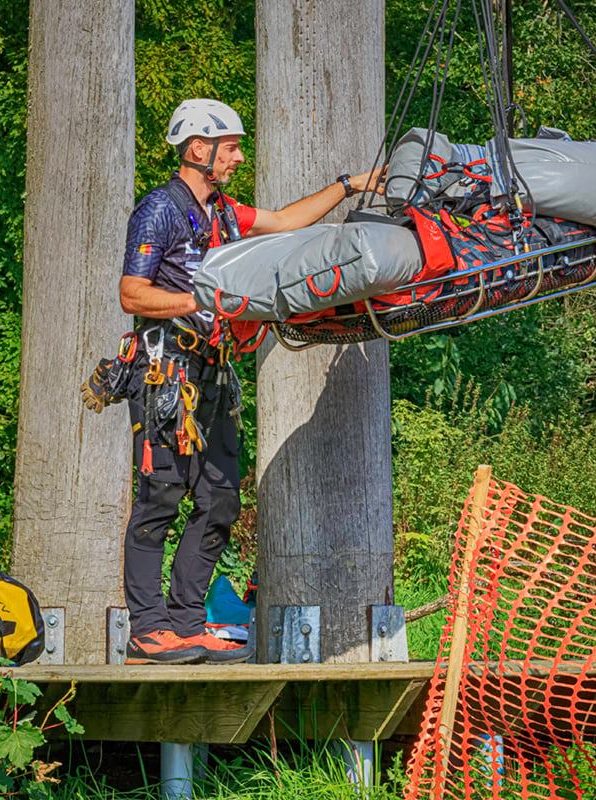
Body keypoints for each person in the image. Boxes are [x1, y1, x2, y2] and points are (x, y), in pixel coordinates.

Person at [86, 98, 383, 665]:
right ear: (198, 149)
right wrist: (206, 299)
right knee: (161, 496)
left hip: (213, 373)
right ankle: (148, 632)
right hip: (166, 372)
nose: (237, 158)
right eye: (230, 148)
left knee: (220, 497)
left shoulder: (222, 211)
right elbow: (131, 293)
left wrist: (347, 186)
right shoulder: (159, 210)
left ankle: (186, 622)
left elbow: (286, 220)